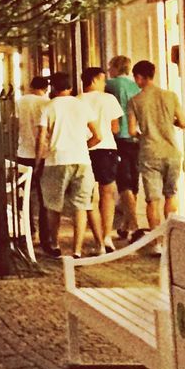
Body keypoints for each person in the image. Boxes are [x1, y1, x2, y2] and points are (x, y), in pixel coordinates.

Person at [36, 72, 102, 258]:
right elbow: (98, 135)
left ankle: (55, 244)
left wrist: (38, 162)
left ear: (53, 88)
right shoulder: (82, 106)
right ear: (71, 87)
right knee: (80, 206)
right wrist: (83, 147)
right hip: (81, 160)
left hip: (56, 160)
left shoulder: (49, 107)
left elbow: (41, 138)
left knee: (53, 205)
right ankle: (77, 249)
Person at [129, 59, 185, 249]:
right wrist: (169, 122)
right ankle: (171, 239)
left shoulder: (135, 101)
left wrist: (144, 135)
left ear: (139, 77)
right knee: (171, 195)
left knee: (152, 199)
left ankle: (157, 242)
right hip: (171, 151)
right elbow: (184, 122)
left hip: (149, 153)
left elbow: (131, 131)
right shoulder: (170, 96)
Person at [79, 66, 123, 252]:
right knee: (107, 193)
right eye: (103, 80)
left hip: (84, 149)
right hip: (106, 149)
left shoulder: (78, 100)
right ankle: (107, 236)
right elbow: (115, 128)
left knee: (89, 196)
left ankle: (97, 239)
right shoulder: (109, 99)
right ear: (95, 80)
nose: (105, 84)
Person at [11, 74, 51, 252]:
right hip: (44, 153)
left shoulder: (20, 102)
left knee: (24, 195)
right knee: (44, 198)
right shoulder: (47, 103)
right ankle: (45, 237)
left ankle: (27, 231)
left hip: (23, 151)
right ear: (46, 88)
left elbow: (12, 124)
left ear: (31, 85)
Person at [106, 55, 142, 241]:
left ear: (115, 67)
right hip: (136, 137)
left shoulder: (111, 85)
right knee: (133, 180)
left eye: (110, 66)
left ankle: (134, 226)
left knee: (124, 181)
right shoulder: (135, 86)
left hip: (119, 137)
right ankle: (125, 225)